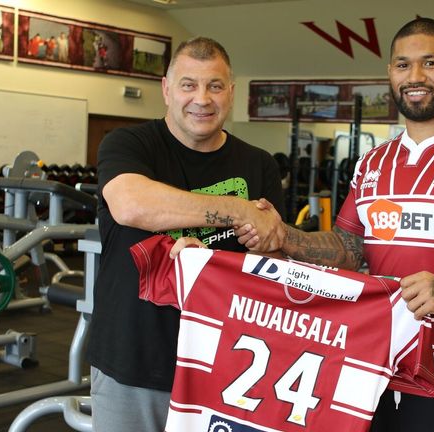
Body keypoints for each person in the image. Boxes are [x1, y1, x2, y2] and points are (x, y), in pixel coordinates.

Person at [239, 17, 434, 432]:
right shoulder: (373, 161)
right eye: (402, 65)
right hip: (368, 368)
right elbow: (349, 248)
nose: (415, 77)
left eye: (430, 63)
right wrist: (284, 235)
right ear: (390, 73)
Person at [86, 36, 286, 432]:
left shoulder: (258, 164)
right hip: (133, 362)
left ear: (231, 92)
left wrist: (250, 250)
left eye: (214, 86)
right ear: (166, 89)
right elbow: (131, 204)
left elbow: (272, 263)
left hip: (227, 368)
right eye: (188, 85)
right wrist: (240, 212)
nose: (202, 99)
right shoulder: (128, 144)